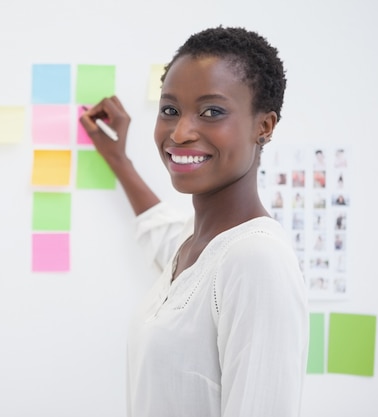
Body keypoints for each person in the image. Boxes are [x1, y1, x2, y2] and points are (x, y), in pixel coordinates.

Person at [80, 26, 309, 417]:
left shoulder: (255, 260)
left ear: (264, 126)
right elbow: (160, 229)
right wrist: (118, 158)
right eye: (170, 110)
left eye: (212, 112)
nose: (180, 132)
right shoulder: (195, 243)